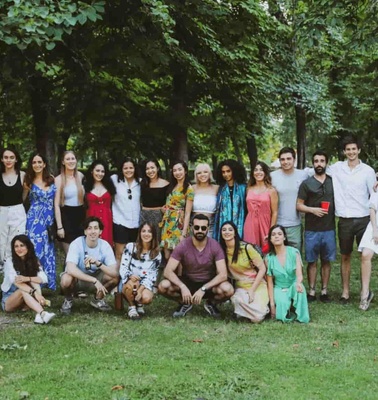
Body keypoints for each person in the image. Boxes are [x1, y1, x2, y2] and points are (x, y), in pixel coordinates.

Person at [328, 136, 376, 304]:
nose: (351, 152)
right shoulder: (336, 168)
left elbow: (374, 195)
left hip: (364, 219)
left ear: (359, 150)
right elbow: (316, 169)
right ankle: (345, 292)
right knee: (345, 256)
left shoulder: (368, 171)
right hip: (345, 220)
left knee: (365, 255)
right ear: (344, 152)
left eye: (354, 149)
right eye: (348, 149)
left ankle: (365, 292)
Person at [159, 214, 234, 318]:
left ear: (208, 228)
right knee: (163, 286)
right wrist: (182, 286)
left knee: (228, 289)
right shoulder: (183, 245)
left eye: (203, 228)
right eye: (197, 227)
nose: (200, 230)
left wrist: (203, 289)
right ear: (192, 227)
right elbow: (167, 271)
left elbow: (223, 275)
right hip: (188, 282)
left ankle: (211, 303)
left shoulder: (215, 245)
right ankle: (185, 302)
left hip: (208, 284)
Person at [296, 150, 335, 303]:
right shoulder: (307, 184)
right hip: (311, 229)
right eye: (316, 161)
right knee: (312, 261)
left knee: (326, 261)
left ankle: (324, 290)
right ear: (313, 164)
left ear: (326, 163)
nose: (319, 164)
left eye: (322, 161)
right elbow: (298, 205)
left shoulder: (333, 182)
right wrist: (312, 210)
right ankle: (311, 290)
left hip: (329, 228)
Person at [60, 217, 119, 314]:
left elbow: (114, 272)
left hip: (97, 277)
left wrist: (98, 263)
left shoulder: (105, 245)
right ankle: (68, 300)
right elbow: (70, 269)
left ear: (100, 231)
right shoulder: (76, 243)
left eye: (96, 228)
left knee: (115, 278)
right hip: (79, 278)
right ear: (85, 231)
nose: (92, 231)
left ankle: (98, 299)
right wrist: (93, 280)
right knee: (66, 279)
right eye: (89, 228)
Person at [220, 221, 269, 323]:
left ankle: (250, 311)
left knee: (257, 318)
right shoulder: (222, 251)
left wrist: (252, 290)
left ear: (235, 232)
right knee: (237, 299)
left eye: (230, 230)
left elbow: (262, 268)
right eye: (224, 230)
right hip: (241, 287)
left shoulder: (246, 248)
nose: (227, 232)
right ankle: (245, 310)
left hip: (257, 284)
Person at [1, 235, 55, 324]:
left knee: (33, 281)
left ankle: (38, 316)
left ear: (28, 246)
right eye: (16, 246)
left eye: (22, 245)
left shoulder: (33, 260)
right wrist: (35, 293)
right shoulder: (10, 262)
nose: (19, 249)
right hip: (9, 300)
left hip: (27, 299)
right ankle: (42, 313)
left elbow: (43, 279)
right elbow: (16, 282)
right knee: (23, 290)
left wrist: (27, 278)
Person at [24, 153, 57, 290]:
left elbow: (56, 202)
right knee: (35, 250)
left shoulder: (52, 180)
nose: (37, 165)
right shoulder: (28, 182)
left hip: (48, 220)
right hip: (34, 220)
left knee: (47, 249)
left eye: (39, 162)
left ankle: (47, 282)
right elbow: (22, 200)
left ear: (44, 164)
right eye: (34, 162)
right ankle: (33, 282)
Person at [265, 225, 310, 323]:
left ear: (284, 237)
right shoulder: (269, 258)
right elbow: (270, 283)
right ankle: (288, 308)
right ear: (270, 239)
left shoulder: (294, 252)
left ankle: (302, 317)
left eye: (279, 234)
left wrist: (298, 283)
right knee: (281, 314)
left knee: (300, 288)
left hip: (293, 284)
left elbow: (299, 275)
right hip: (279, 287)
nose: (276, 236)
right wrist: (272, 304)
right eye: (273, 235)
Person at [120, 222, 162, 319]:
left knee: (147, 298)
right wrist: (130, 275)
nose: (146, 234)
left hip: (144, 284)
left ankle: (139, 304)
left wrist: (140, 290)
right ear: (139, 233)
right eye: (143, 231)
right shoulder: (130, 247)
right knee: (132, 284)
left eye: (149, 232)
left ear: (153, 235)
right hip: (130, 281)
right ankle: (132, 307)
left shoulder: (156, 254)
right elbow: (123, 267)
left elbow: (151, 276)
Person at [271, 147, 309, 250]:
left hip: (295, 224)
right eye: (282, 159)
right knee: (278, 257)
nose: (285, 162)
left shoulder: (303, 175)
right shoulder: (272, 176)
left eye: (288, 158)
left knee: (296, 255)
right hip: (277, 224)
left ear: (294, 160)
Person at [160, 160, 194, 260]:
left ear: (185, 171)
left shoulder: (188, 188)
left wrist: (183, 233)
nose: (177, 172)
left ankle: (178, 275)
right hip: (168, 223)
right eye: (175, 170)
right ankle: (168, 274)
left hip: (179, 224)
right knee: (166, 252)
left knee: (177, 254)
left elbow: (188, 212)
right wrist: (165, 209)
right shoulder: (172, 186)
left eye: (180, 169)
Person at [111, 157, 141, 265]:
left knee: (134, 252)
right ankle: (118, 279)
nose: (128, 170)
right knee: (119, 253)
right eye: (125, 168)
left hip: (135, 223)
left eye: (131, 168)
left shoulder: (140, 182)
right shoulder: (114, 180)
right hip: (120, 221)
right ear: (121, 169)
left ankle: (130, 279)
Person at [55, 151, 85, 254]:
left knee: (80, 253)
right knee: (70, 254)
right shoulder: (59, 180)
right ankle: (69, 270)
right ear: (63, 162)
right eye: (68, 159)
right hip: (66, 218)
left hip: (81, 217)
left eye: (73, 158)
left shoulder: (80, 176)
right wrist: (60, 227)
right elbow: (56, 205)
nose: (71, 161)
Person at [0, 147, 26, 267]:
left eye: (11, 157)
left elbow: (25, 195)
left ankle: (13, 263)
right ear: (2, 159)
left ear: (16, 160)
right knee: (1, 239)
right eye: (6, 157)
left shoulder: (22, 175)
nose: (8, 160)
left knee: (16, 238)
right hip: (2, 210)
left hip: (18, 210)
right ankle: (2, 264)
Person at [243, 161, 278, 248]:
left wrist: (271, 231)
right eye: (256, 170)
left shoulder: (271, 190)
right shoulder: (248, 189)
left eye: (261, 170)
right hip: (250, 223)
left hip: (265, 223)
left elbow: (275, 212)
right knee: (250, 249)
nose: (258, 172)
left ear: (265, 172)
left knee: (266, 250)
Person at [84, 160, 116, 247]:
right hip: (91, 220)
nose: (100, 173)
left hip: (106, 220)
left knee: (106, 247)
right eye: (97, 170)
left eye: (102, 171)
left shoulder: (109, 186)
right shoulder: (85, 186)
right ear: (92, 171)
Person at [214, 159, 247, 241]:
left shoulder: (243, 188)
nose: (225, 174)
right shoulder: (220, 189)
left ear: (234, 171)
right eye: (223, 172)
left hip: (241, 225)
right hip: (224, 226)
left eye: (228, 171)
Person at [140, 159, 169, 242]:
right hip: (144, 216)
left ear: (158, 169)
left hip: (159, 217)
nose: (150, 171)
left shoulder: (166, 184)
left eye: (152, 168)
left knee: (158, 242)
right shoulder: (143, 183)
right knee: (145, 242)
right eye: (147, 169)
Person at [358, 191, 378, 310]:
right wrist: (375, 229)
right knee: (366, 254)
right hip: (375, 226)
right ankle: (365, 294)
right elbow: (372, 209)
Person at [192, 163, 219, 238]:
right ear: (196, 175)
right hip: (195, 226)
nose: (202, 174)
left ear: (210, 173)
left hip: (211, 226)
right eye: (199, 173)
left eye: (205, 172)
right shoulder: (192, 188)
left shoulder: (216, 188)